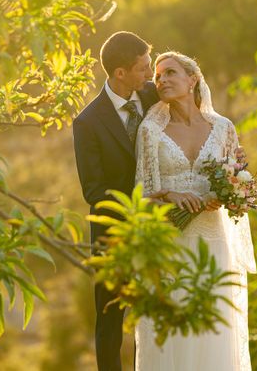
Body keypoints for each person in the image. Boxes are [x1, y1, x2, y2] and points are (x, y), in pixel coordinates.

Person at [133, 51, 257, 371]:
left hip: (214, 244)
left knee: (213, 333)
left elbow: (238, 182)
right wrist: (171, 195)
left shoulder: (224, 128)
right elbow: (141, 197)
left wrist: (228, 196)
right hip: (169, 246)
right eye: (158, 76)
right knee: (172, 339)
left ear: (193, 80)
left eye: (171, 73)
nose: (162, 80)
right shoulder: (151, 131)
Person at [72, 31, 160, 371]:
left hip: (160, 229)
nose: (149, 75)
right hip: (114, 232)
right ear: (120, 73)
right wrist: (143, 200)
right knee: (110, 319)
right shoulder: (87, 122)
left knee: (152, 313)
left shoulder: (153, 96)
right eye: (142, 69)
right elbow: (93, 190)